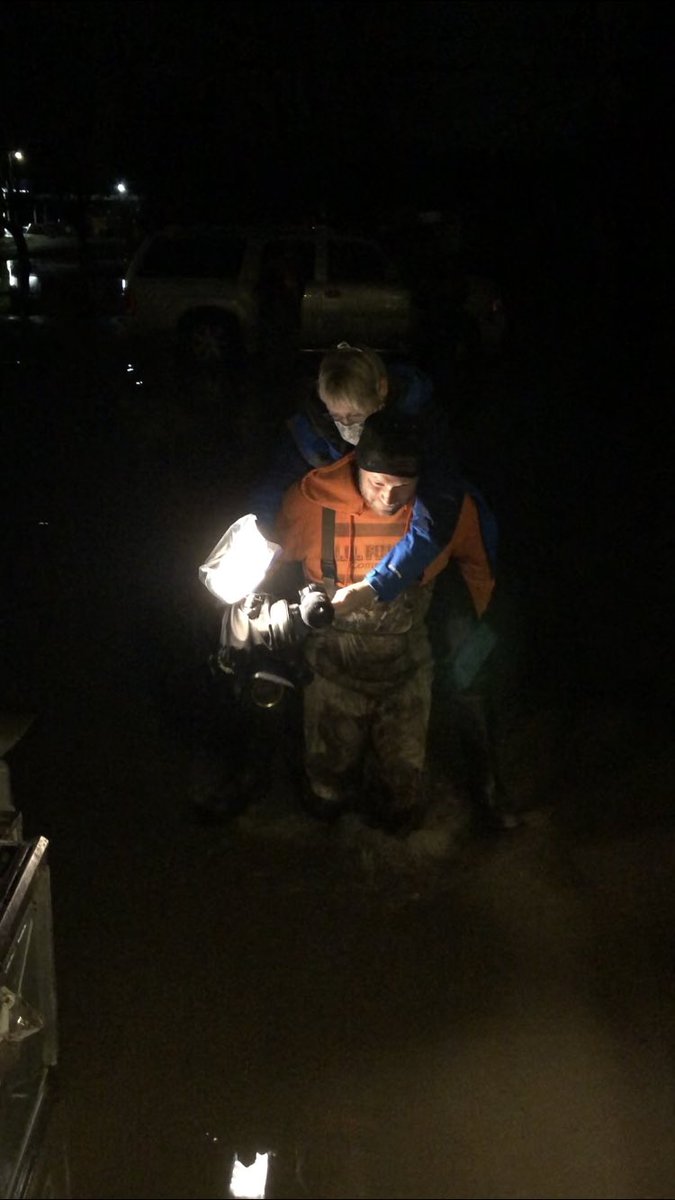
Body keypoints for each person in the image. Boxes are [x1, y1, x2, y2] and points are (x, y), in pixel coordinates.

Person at [264, 407, 496, 834]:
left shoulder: (448, 513)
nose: (389, 499)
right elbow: (267, 557)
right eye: (377, 484)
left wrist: (475, 630)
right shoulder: (309, 504)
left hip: (407, 676)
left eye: (403, 487)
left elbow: (479, 568)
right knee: (325, 790)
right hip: (330, 675)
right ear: (357, 468)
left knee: (401, 798)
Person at [248, 342, 498, 617]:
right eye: (337, 417)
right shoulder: (310, 440)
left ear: (382, 390)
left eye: (355, 416)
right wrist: (260, 540)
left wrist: (374, 586)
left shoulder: (423, 430)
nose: (347, 426)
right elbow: (271, 489)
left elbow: (438, 515)